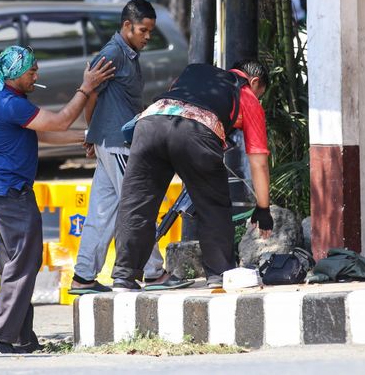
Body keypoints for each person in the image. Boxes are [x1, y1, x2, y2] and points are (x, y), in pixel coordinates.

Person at [0, 45, 115, 354]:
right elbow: (60, 122)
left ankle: (21, 337)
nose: (36, 75)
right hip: (10, 193)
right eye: (32, 71)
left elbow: (45, 134)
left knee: (16, 265)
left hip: (2, 192)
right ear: (15, 74)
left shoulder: (11, 102)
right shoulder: (9, 104)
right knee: (24, 263)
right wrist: (86, 88)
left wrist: (87, 137)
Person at [111, 60, 273, 290]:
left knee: (136, 203)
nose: (258, 99)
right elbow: (258, 162)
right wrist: (263, 208)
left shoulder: (193, 73)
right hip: (195, 132)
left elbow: (174, 99)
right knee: (213, 205)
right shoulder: (246, 94)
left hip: (149, 124)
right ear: (254, 82)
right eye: (260, 94)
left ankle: (124, 276)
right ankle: (219, 275)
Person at [69, 0, 190, 295]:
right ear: (126, 26)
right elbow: (91, 94)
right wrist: (93, 131)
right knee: (138, 207)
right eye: (142, 30)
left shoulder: (125, 53)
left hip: (110, 142)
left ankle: (83, 277)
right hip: (117, 144)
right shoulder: (113, 54)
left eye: (150, 31)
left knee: (102, 212)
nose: (147, 37)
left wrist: (95, 135)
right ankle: (153, 272)